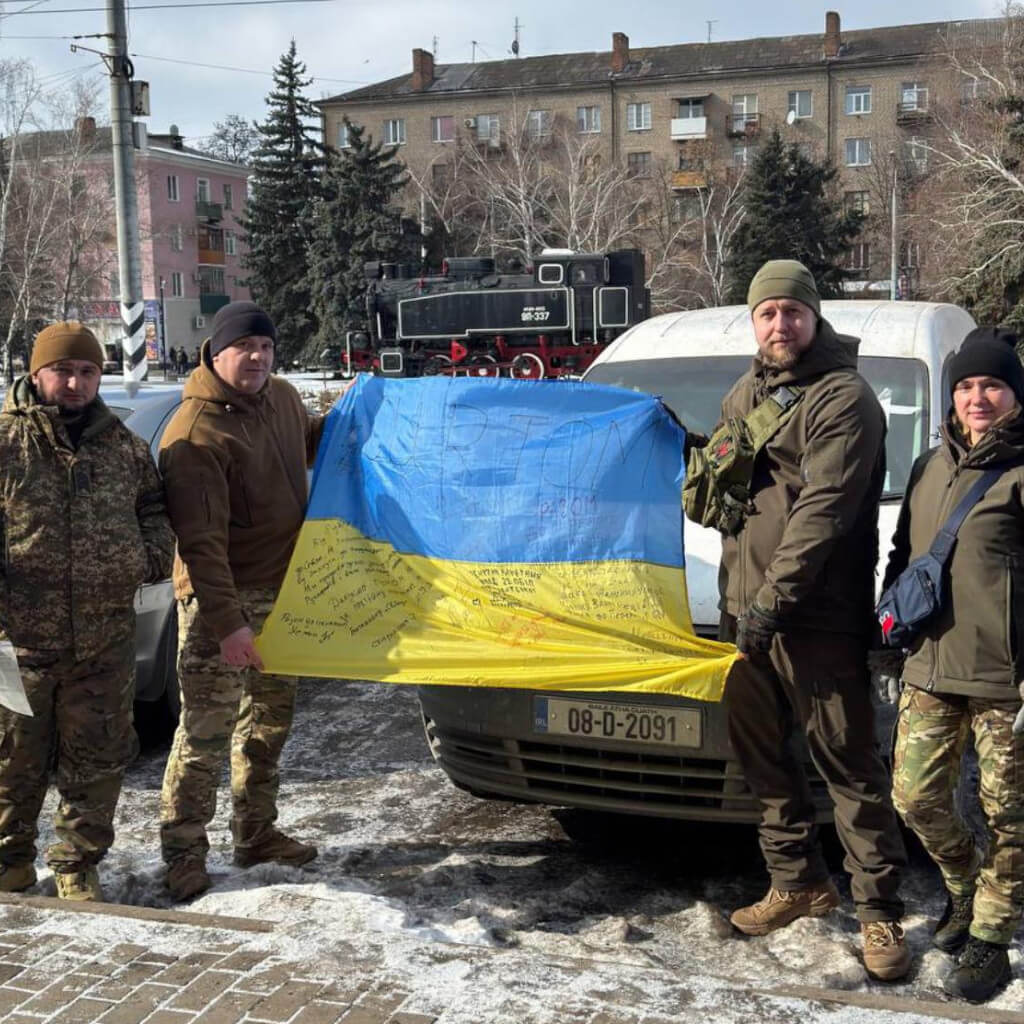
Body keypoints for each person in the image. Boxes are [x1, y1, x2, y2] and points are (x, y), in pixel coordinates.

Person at [686, 260, 910, 980]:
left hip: (813, 617)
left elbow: (821, 513)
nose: (780, 324)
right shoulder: (747, 392)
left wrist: (771, 604)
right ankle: (798, 883)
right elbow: (719, 491)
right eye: (767, 313)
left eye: (792, 311)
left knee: (848, 767)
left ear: (814, 318)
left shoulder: (844, 399)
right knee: (764, 761)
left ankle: (879, 915)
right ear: (753, 322)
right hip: (741, 611)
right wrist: (699, 475)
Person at [0, 322, 174, 901]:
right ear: (37, 372)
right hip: (19, 641)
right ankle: (10, 864)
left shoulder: (121, 446)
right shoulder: (5, 441)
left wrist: (148, 557)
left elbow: (154, 508)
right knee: (12, 761)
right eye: (63, 370)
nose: (74, 382)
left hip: (104, 639)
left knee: (97, 759)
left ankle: (77, 865)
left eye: (87, 372)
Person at [158, 300, 324, 902]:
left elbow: (307, 445)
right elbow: (200, 549)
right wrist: (230, 628)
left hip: (282, 593)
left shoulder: (280, 396)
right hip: (218, 604)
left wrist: (363, 409)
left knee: (268, 723)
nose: (256, 358)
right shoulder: (195, 434)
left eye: (266, 347)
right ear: (217, 352)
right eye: (244, 348)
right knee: (204, 732)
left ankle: (255, 833)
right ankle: (182, 853)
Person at [883, 327, 1024, 1003]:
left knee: (1010, 814)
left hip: (1007, 678)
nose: (977, 397)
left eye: (991, 385)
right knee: (914, 797)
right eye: (966, 386)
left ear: (1014, 394)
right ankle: (967, 886)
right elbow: (905, 558)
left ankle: (991, 936)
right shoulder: (925, 468)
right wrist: (887, 624)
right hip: (930, 667)